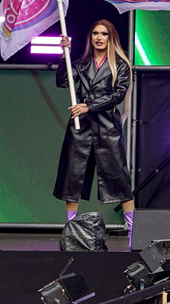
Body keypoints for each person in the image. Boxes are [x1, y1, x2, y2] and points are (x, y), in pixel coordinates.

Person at [55, 19, 135, 228]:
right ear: (90, 37)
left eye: (104, 33)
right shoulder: (82, 64)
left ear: (111, 37)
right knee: (72, 179)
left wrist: (88, 105)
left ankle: (132, 234)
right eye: (95, 33)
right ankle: (70, 231)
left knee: (119, 181)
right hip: (81, 128)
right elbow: (63, 81)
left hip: (108, 128)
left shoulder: (120, 65)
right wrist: (65, 56)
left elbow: (118, 95)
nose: (99, 37)